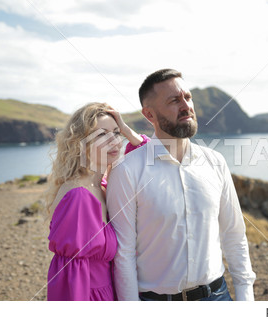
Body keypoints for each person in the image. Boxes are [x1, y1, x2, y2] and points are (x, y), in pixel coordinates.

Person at [107, 69, 256, 301]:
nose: (186, 106)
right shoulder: (127, 171)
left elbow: (234, 234)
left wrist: (246, 298)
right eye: (174, 100)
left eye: (187, 97)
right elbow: (123, 254)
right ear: (149, 114)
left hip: (217, 298)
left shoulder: (215, 163)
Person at [44, 102, 149, 301]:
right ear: (80, 143)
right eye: (101, 134)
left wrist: (127, 131)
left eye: (117, 133)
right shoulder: (79, 197)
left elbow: (151, 157)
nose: (115, 141)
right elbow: (70, 280)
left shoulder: (103, 184)